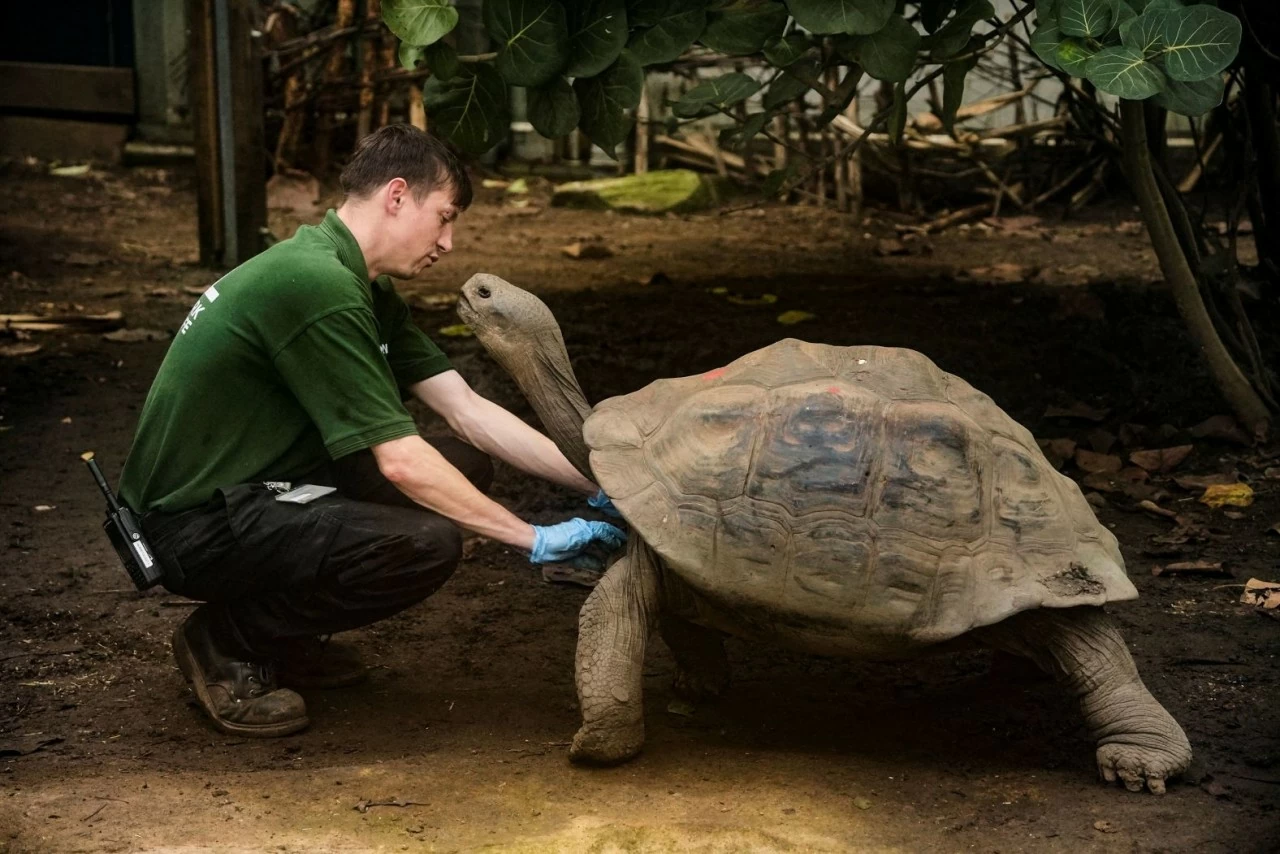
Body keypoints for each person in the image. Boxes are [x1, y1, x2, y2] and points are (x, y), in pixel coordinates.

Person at [118, 125, 625, 738]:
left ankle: (283, 636)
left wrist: (606, 479)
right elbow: (401, 463)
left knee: (463, 466)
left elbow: (466, 408)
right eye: (444, 217)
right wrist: (534, 539)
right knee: (424, 542)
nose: (448, 242)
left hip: (255, 487)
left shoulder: (357, 280)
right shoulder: (318, 286)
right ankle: (226, 641)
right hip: (190, 523)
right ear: (396, 195)